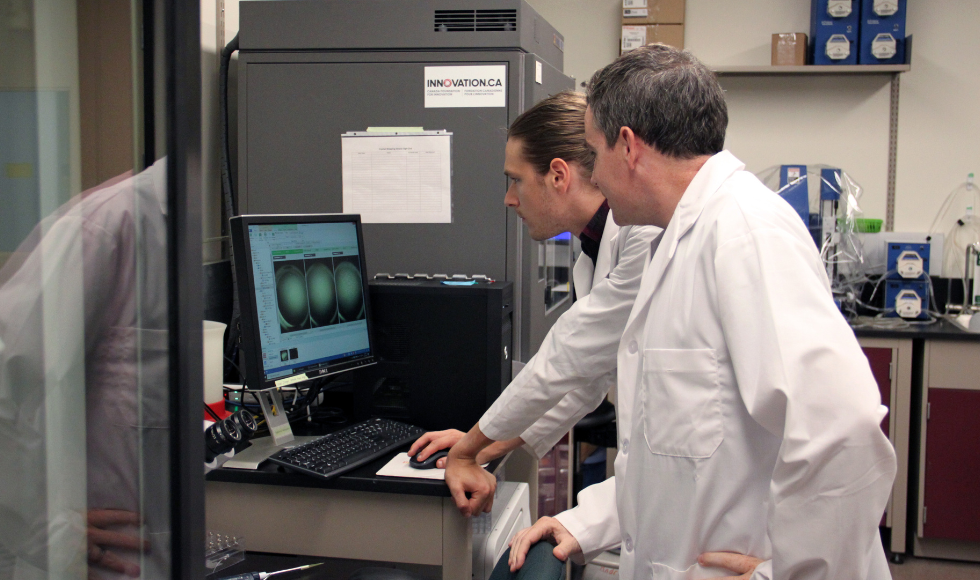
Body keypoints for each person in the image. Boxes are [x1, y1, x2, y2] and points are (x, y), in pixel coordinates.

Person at [446, 44, 898, 580]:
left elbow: (840, 429)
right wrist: (587, 522)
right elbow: (675, 451)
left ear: (628, 148)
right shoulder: (670, 242)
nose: (596, 180)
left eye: (595, 153)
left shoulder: (745, 233)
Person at [408, 91, 661, 513]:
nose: (509, 198)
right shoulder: (595, 249)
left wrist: (468, 449)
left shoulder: (643, 236)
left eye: (516, 179)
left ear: (558, 176)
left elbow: (567, 358)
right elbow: (586, 382)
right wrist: (485, 444)